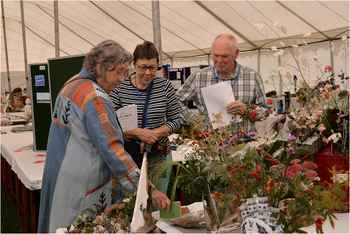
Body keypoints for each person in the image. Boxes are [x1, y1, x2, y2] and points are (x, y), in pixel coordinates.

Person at [38, 40, 170, 233]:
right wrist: (148, 189)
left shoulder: (72, 83)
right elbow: (113, 150)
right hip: (80, 187)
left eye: (125, 72)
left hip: (60, 175)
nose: (122, 78)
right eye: (118, 72)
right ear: (100, 68)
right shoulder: (95, 98)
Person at [109, 41, 180, 198]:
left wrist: (152, 134)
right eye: (143, 67)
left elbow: (175, 120)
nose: (148, 72)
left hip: (158, 154)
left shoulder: (165, 86)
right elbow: (109, 127)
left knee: (157, 202)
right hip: (128, 156)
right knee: (129, 203)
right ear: (134, 65)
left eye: (153, 67)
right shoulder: (120, 88)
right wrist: (137, 133)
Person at [176, 34, 269, 140]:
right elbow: (176, 101)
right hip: (211, 145)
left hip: (245, 145)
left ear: (236, 54)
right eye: (215, 55)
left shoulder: (252, 76)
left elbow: (265, 111)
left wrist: (246, 110)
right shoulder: (198, 77)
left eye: (224, 56)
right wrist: (196, 121)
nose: (219, 60)